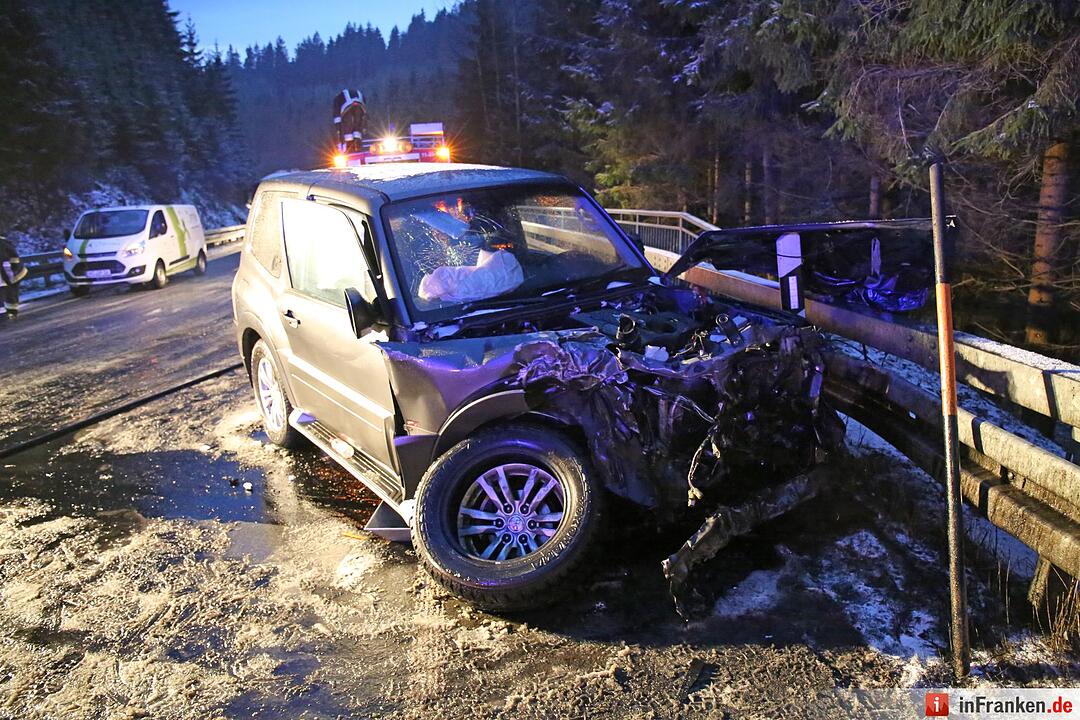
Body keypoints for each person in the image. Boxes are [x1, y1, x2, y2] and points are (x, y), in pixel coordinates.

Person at [0, 234, 27, 321]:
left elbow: (9, 262)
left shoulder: (2, 244)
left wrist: (9, 277)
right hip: (7, 272)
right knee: (8, 292)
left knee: (10, 292)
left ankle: (12, 313)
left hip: (13, 272)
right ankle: (10, 312)